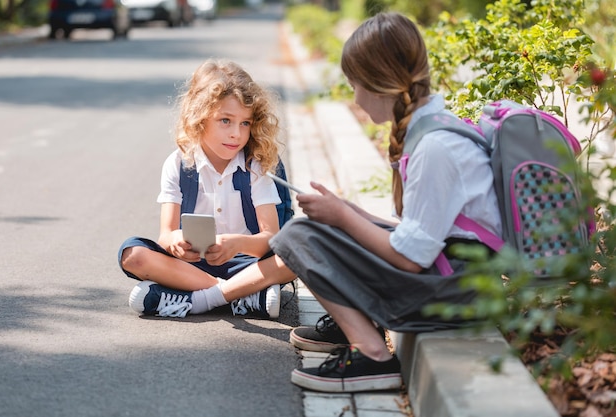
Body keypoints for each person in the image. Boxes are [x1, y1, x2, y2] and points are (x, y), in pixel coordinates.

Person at [194, 11, 501, 393]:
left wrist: (342, 216)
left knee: (294, 238)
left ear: (378, 82)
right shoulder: (434, 131)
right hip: (457, 281)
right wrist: (348, 214)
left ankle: (372, 355)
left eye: (355, 84)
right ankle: (352, 324)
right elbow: (420, 234)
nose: (354, 96)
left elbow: (410, 256)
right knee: (315, 229)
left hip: (454, 295)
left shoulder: (435, 147)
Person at [117, 59, 286, 319]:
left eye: (245, 123)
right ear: (199, 117)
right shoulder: (179, 163)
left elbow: (271, 239)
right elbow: (166, 234)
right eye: (225, 120)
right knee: (133, 255)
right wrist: (176, 243)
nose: (236, 134)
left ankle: (193, 299)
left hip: (246, 266)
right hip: (190, 266)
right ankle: (237, 296)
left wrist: (236, 244)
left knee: (295, 256)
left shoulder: (256, 166)